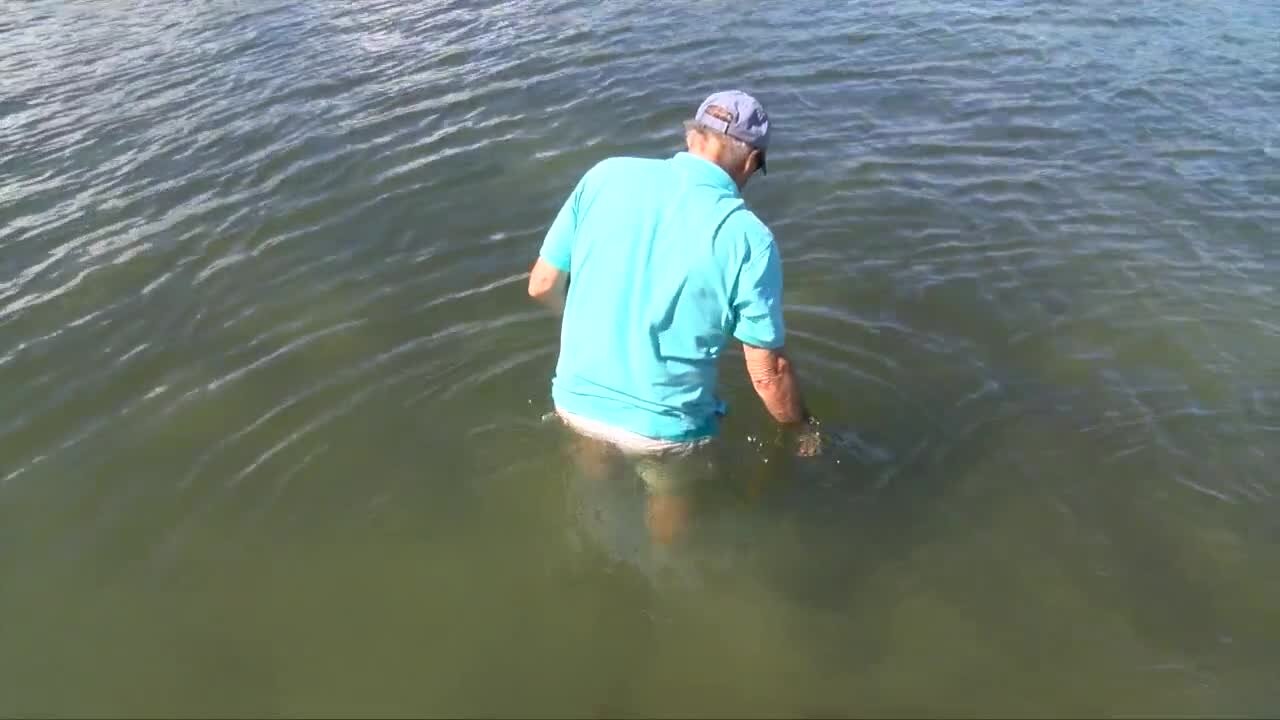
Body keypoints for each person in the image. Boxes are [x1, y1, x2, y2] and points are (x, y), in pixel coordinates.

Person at [528, 90, 819, 546]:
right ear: (752, 160)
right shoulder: (747, 237)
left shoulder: (605, 176)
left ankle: (592, 545)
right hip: (664, 431)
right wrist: (802, 430)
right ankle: (662, 572)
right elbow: (768, 373)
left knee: (593, 487)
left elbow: (542, 284)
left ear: (692, 136)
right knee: (668, 502)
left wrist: (585, 323)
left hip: (577, 401)